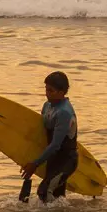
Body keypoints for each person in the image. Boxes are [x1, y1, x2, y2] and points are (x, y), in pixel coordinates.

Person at [20, 70, 79, 205]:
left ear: (62, 92)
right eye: (46, 89)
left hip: (66, 161)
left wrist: (35, 164)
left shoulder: (64, 112)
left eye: (51, 91)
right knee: (58, 197)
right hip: (52, 159)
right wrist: (28, 159)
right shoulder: (47, 106)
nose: (47, 93)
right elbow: (41, 136)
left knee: (44, 192)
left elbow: (55, 145)